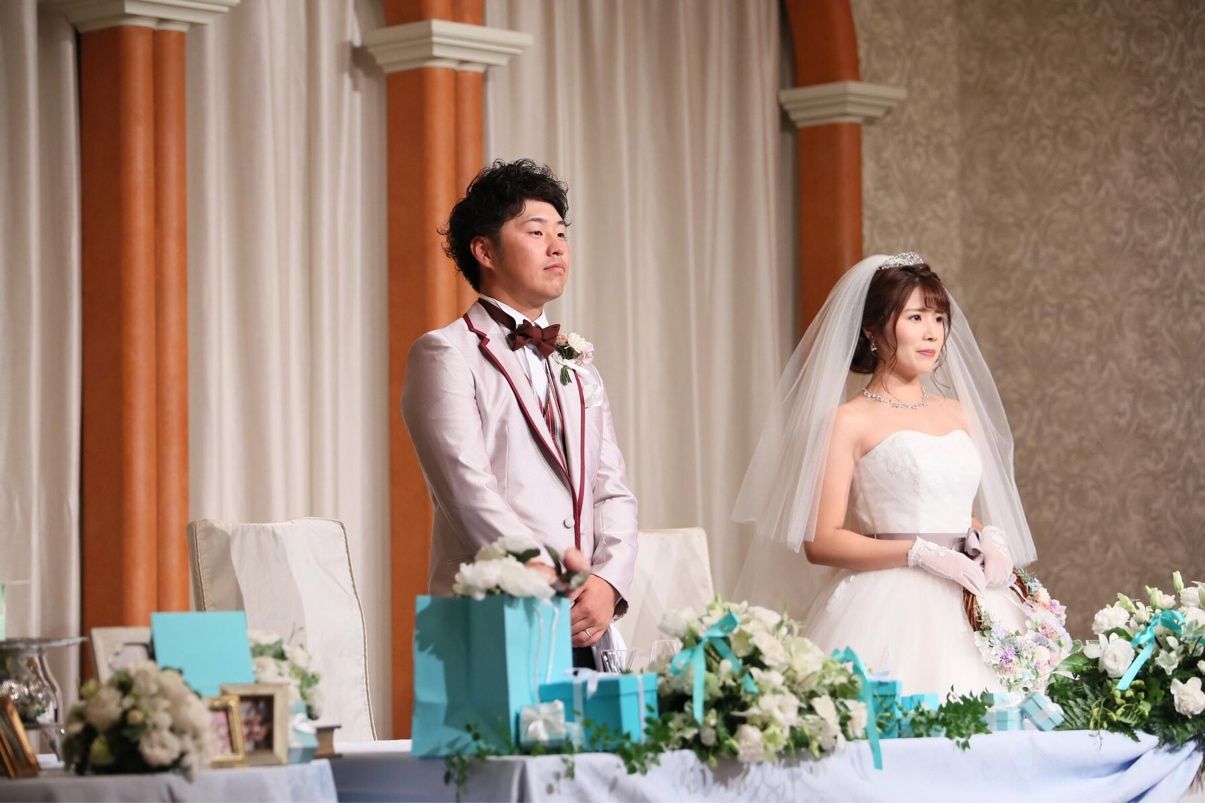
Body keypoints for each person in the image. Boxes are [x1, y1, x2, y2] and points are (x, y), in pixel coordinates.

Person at [734, 252, 1036, 695]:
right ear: (873, 330)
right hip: (888, 602)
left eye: (938, 318)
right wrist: (918, 553)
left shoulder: (959, 413)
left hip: (969, 591)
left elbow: (953, 507)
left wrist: (988, 538)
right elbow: (821, 541)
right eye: (915, 317)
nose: (932, 332)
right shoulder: (848, 421)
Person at [402, 159, 638, 668]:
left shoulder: (577, 363)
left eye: (561, 233)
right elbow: (468, 491)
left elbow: (611, 488)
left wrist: (606, 582)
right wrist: (548, 579)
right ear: (484, 250)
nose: (557, 247)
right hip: (496, 619)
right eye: (536, 232)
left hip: (585, 628)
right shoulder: (445, 353)